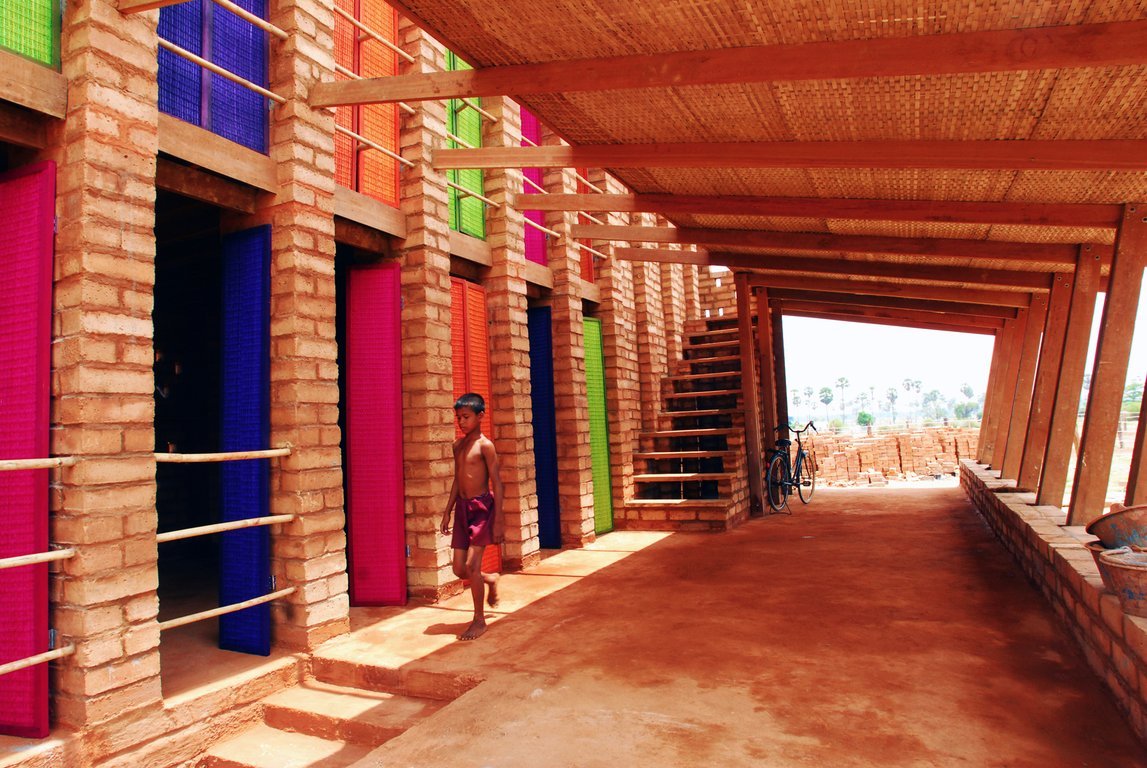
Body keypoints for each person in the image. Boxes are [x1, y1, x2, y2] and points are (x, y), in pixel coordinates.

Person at [440, 392, 504, 640]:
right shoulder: (458, 445)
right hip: (463, 510)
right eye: (458, 418)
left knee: (471, 565)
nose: (461, 422)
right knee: (459, 569)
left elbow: (497, 482)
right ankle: (489, 579)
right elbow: (458, 480)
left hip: (482, 509)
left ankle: (478, 619)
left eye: (466, 417)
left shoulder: (485, 446)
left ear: (480, 416)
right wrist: (447, 511)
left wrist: (498, 518)